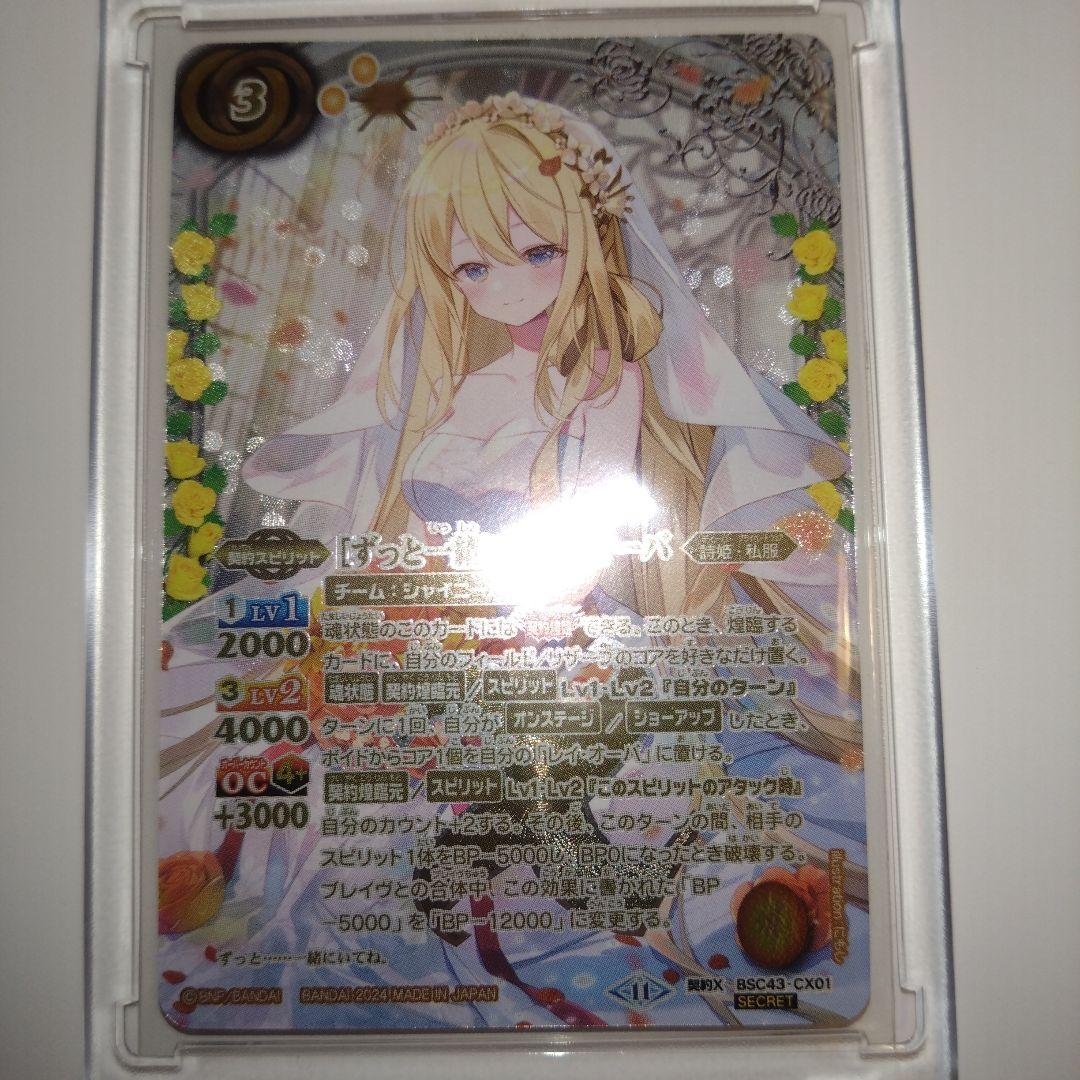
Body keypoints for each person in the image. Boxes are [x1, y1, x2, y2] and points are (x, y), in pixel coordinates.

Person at [158, 92, 868, 1030]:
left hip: (555, 628)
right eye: (474, 266)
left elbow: (591, 511)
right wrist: (408, 610)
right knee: (354, 743)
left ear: (592, 240)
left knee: (532, 767)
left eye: (542, 252)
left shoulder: (604, 378)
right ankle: (491, 870)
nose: (509, 284)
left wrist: (503, 623)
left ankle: (562, 880)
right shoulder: (468, 384)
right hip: (452, 620)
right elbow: (423, 523)